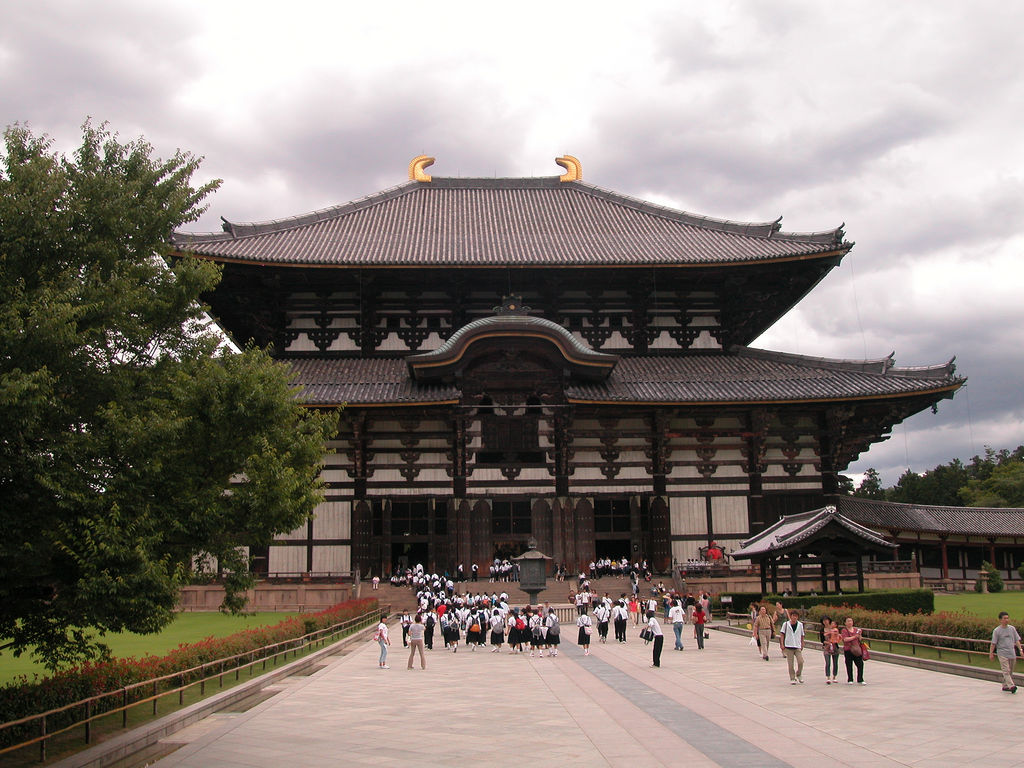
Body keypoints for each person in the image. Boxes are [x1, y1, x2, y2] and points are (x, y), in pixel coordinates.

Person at [989, 611, 1022, 693]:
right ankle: (1012, 686)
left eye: (1007, 618)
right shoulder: (997, 631)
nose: (1006, 620)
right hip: (1002, 653)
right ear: (1000, 620)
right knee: (1006, 670)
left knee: (1010, 671)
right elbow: (993, 643)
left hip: (1011, 653)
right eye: (1004, 618)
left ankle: (1005, 685)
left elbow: (1017, 640)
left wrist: (1020, 650)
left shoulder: (1012, 629)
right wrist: (991, 653)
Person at [779, 608, 805, 684]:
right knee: (790, 664)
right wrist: (782, 644)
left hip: (797, 646)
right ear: (790, 616)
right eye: (793, 616)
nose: (794, 617)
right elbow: (782, 634)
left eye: (796, 616)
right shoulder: (786, 624)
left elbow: (802, 635)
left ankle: (799, 674)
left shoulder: (800, 625)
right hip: (789, 646)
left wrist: (802, 643)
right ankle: (792, 678)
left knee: (801, 662)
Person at [840, 616, 865, 684]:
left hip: (857, 649)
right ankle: (850, 679)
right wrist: (854, 637)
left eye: (851, 621)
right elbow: (845, 639)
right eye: (848, 621)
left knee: (860, 664)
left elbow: (859, 639)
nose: (850, 622)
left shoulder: (856, 630)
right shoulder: (844, 630)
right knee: (849, 664)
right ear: (845, 623)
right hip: (848, 649)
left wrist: (859, 636)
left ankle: (860, 679)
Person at [820, 617, 840, 684]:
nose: (825, 622)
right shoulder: (822, 630)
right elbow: (822, 640)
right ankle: (828, 677)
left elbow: (837, 638)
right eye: (824, 620)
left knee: (835, 662)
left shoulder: (834, 629)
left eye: (826, 620)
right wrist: (828, 643)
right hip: (826, 647)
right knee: (828, 662)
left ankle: (834, 676)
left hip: (835, 647)